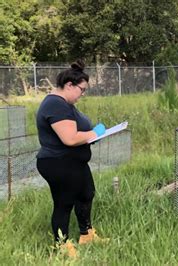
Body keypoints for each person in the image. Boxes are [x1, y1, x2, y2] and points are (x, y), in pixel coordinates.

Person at [36, 60, 107, 257]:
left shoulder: (65, 103)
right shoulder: (55, 105)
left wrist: (93, 134)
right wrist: (93, 134)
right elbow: (69, 138)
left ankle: (87, 234)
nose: (82, 94)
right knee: (64, 203)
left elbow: (78, 132)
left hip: (75, 161)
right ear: (69, 85)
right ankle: (61, 245)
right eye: (82, 90)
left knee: (86, 194)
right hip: (58, 162)